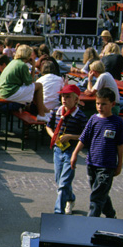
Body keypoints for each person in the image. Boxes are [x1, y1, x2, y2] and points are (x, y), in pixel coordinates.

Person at [70, 88, 123, 218]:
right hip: (92, 163)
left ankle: (91, 222)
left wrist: (119, 165)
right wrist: (74, 154)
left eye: (103, 104)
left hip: (107, 166)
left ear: (112, 104)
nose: (100, 107)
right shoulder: (93, 119)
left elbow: (120, 146)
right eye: (97, 103)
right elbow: (83, 138)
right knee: (101, 192)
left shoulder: (117, 122)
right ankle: (111, 216)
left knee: (96, 197)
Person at [46, 84, 88, 215]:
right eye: (63, 96)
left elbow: (86, 135)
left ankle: (58, 212)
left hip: (71, 151)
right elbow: (48, 126)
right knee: (59, 180)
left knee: (64, 183)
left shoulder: (80, 116)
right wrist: (53, 135)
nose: (64, 99)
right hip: (58, 149)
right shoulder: (56, 111)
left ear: (76, 99)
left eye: (68, 97)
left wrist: (71, 136)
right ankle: (70, 198)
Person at [0, 44, 47, 118]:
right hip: (10, 92)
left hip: (3, 92)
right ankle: (42, 115)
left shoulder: (13, 62)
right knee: (39, 86)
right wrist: (33, 67)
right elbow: (30, 82)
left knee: (33, 90)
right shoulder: (22, 65)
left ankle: (45, 110)